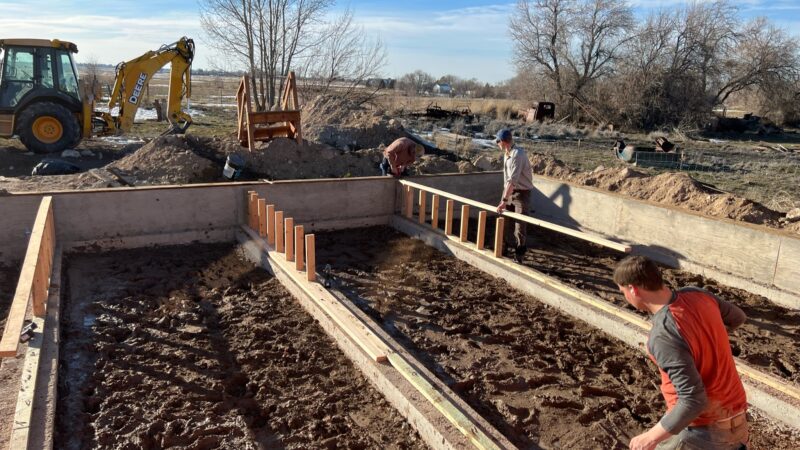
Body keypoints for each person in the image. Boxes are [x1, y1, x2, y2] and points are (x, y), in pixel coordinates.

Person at [613, 256, 748, 450]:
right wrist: (708, 337)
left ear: (633, 289)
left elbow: (693, 400)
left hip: (702, 432)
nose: (625, 296)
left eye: (623, 291)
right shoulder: (698, 294)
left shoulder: (664, 334)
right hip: (738, 422)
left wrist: (650, 437)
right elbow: (738, 317)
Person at [494, 128, 533, 263]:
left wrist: (504, 200)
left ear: (503, 141)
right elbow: (508, 181)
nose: (497, 144)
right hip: (509, 191)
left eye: (497, 141)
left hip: (521, 194)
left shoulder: (517, 154)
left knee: (519, 226)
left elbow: (512, 180)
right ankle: (502, 249)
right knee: (503, 220)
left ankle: (519, 255)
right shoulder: (507, 153)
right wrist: (504, 198)